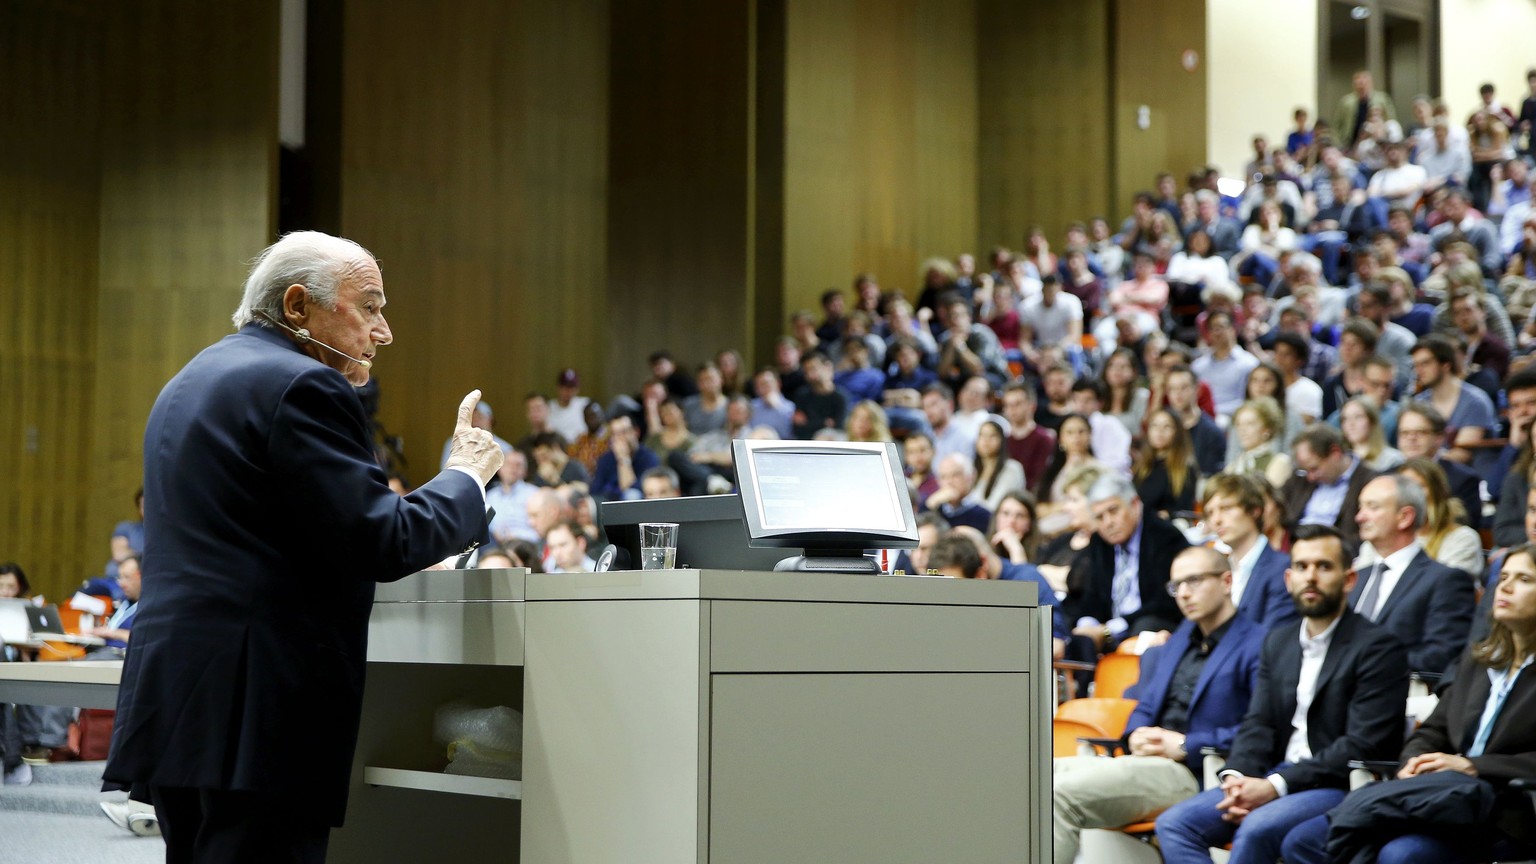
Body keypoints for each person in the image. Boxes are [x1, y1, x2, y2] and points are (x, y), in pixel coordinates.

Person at [103, 232, 503, 861]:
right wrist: (465, 475)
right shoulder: (303, 386)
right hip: (258, 700)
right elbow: (385, 539)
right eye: (369, 307)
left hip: (180, 691)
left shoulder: (192, 377)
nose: (385, 330)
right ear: (297, 306)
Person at [1154, 525, 1409, 864]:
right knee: (1174, 823)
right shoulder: (1278, 641)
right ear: (1288, 578)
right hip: (1273, 773)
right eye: (1302, 567)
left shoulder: (1378, 647)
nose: (1311, 577)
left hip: (1337, 783)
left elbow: (1362, 744)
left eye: (1324, 566)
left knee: (1257, 828)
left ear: (1349, 580)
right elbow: (1258, 722)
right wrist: (1236, 779)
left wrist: (1274, 786)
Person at [1280, 543, 1536, 864]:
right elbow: (1433, 730)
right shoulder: (1481, 659)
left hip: (1507, 812)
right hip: (1439, 797)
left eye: (1525, 579)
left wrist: (1474, 767)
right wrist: (1416, 761)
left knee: (1400, 855)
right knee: (1303, 841)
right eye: (1504, 577)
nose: (1506, 587)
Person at [1052, 546, 1267, 863]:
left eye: (1193, 581)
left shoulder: (1258, 643)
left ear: (1226, 581)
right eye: (1176, 585)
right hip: (1145, 761)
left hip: (1193, 770)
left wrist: (1185, 744)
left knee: (1058, 795)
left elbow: (1260, 728)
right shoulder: (1179, 638)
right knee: (1036, 776)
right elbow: (1145, 703)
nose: (1183, 593)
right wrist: (1136, 733)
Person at [1351, 473, 1475, 674]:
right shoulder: (1356, 577)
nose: (1360, 517)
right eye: (1360, 507)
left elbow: (1443, 654)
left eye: (1372, 507)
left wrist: (1370, 665)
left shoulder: (1444, 580)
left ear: (1405, 517)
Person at [1062, 473, 1189, 652]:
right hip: (1108, 628)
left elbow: (1166, 603)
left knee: (1145, 627)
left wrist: (1109, 629)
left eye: (1113, 511)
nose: (1108, 523)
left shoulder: (1166, 537)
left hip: (1149, 625)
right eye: (1099, 517)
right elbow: (1092, 594)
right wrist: (1087, 625)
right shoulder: (1100, 541)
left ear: (1135, 505)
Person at [1202, 473, 1297, 630]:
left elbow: (1271, 640)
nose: (1216, 520)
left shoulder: (1281, 569)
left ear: (1254, 511)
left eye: (1226, 508)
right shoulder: (1219, 569)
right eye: (1210, 513)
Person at [1280, 423, 1380, 549]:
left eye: (1314, 468)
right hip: (1293, 547)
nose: (1310, 477)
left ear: (1335, 453)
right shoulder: (1301, 477)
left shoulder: (1370, 482)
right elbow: (1276, 508)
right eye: (1306, 470)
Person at [1396, 401, 1483, 529]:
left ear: (1439, 437)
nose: (1411, 438)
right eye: (1405, 433)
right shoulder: (1386, 477)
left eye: (1420, 432)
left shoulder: (1463, 480)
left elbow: (1463, 527)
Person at [1397, 456, 1484, 579]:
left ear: (1437, 492)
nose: (1410, 495)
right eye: (1404, 487)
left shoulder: (1462, 539)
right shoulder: (1384, 539)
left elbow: (1449, 587)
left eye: (1419, 487)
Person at [1134, 408, 1198, 518]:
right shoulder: (1141, 466)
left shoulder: (1186, 469)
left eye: (1167, 426)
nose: (1159, 431)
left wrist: (1167, 515)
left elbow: (1184, 509)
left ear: (1177, 432)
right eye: (1154, 426)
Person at [1228, 398, 1295, 490]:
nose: (1242, 430)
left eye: (1250, 424)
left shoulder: (1279, 462)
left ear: (1267, 430)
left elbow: (1267, 496)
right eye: (1239, 424)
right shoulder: (1233, 466)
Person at [999, 380, 1055, 486]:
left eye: (1017, 404)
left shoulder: (1043, 439)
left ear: (1032, 406)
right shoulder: (1002, 439)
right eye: (1008, 405)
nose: (1012, 409)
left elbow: (1038, 479)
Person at [925, 454, 994, 533]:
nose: (949, 482)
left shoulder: (984, 514)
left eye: (955, 475)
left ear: (971, 476)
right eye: (943, 477)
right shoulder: (934, 506)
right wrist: (930, 505)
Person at [972, 418, 1026, 512]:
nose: (986, 440)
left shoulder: (1012, 468)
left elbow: (996, 505)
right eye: (982, 435)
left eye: (992, 435)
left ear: (1002, 440)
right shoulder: (972, 469)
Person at [1340, 395, 1404, 471]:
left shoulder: (1392, 460)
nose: (1351, 424)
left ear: (1372, 421)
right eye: (1345, 419)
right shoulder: (1339, 460)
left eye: (1358, 417)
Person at [988, 490, 1042, 566]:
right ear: (996, 517)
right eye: (1006, 513)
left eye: (1020, 516)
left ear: (1030, 524)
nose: (1011, 521)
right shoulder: (983, 548)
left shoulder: (1041, 554)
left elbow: (1023, 577)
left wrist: (1015, 548)